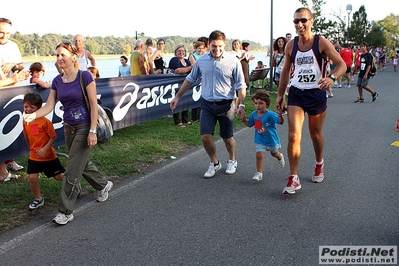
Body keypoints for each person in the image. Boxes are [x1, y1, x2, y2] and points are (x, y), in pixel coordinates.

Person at [23, 42, 113, 225]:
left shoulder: (85, 76)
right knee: (80, 161)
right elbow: (48, 106)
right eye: (56, 55)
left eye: (62, 54)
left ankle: (65, 211)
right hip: (69, 127)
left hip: (84, 126)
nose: (59, 58)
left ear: (73, 57)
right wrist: (32, 115)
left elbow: (93, 104)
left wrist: (92, 131)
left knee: (72, 168)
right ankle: (103, 184)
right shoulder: (57, 80)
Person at [275, 7, 346, 195]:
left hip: (316, 93)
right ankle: (294, 177)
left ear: (311, 21)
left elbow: (342, 64)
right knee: (293, 135)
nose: (299, 24)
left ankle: (319, 162)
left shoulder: (321, 42)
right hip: (297, 93)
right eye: (296, 21)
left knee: (315, 134)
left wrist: (331, 77)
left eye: (303, 20)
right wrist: (280, 95)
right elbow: (285, 72)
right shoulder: (291, 45)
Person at [170, 30, 246, 178]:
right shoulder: (202, 61)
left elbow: (240, 85)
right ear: (208, 45)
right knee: (205, 136)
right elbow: (191, 79)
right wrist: (177, 96)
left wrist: (241, 104)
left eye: (220, 46)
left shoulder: (233, 61)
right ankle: (215, 162)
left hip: (226, 104)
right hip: (207, 104)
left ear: (224, 45)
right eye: (213, 46)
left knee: (227, 137)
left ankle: (232, 159)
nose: (217, 49)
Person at [22, 92, 64, 211]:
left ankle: (73, 184)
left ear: (39, 108)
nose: (28, 109)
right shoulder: (25, 121)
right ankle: (38, 199)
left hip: (48, 157)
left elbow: (53, 137)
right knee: (32, 178)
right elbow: (26, 134)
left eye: (32, 107)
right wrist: (30, 148)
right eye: (26, 106)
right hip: (34, 157)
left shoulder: (45, 122)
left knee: (58, 176)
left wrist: (45, 148)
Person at [0, 17, 27, 172]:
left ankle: (10, 160)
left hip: (11, 91)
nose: (4, 36)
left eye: (8, 33)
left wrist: (13, 65)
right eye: (1, 33)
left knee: (10, 125)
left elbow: (21, 65)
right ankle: (2, 168)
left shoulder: (13, 46)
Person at [240, 90, 285, 182]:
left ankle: (280, 156)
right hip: (260, 140)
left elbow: (281, 122)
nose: (258, 105)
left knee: (274, 153)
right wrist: (244, 120)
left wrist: (280, 115)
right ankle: (259, 173)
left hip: (272, 141)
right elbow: (250, 124)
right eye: (256, 103)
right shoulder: (254, 115)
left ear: (267, 104)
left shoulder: (271, 115)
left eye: (261, 103)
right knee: (259, 154)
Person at [168, 45, 192, 127]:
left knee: (185, 101)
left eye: (183, 51)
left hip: (185, 84)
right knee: (177, 101)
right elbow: (178, 70)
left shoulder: (187, 61)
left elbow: (193, 69)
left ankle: (185, 119)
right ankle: (177, 121)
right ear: (176, 52)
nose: (181, 52)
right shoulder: (174, 60)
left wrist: (188, 68)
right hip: (176, 84)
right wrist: (190, 68)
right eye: (179, 51)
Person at [188, 41, 207, 122]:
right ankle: (195, 117)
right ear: (195, 49)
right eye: (199, 48)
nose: (200, 50)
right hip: (196, 78)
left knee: (202, 97)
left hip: (204, 79)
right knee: (195, 97)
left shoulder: (206, 55)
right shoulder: (192, 55)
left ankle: (200, 115)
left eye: (202, 48)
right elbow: (195, 66)